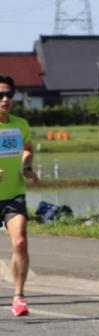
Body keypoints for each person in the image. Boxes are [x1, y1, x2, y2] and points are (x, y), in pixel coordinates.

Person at [0, 75, 37, 317]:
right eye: (0, 95)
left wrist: (26, 166)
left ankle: (19, 296)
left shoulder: (20, 124)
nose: (5, 99)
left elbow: (27, 147)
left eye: (9, 95)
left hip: (13, 194)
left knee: (20, 242)